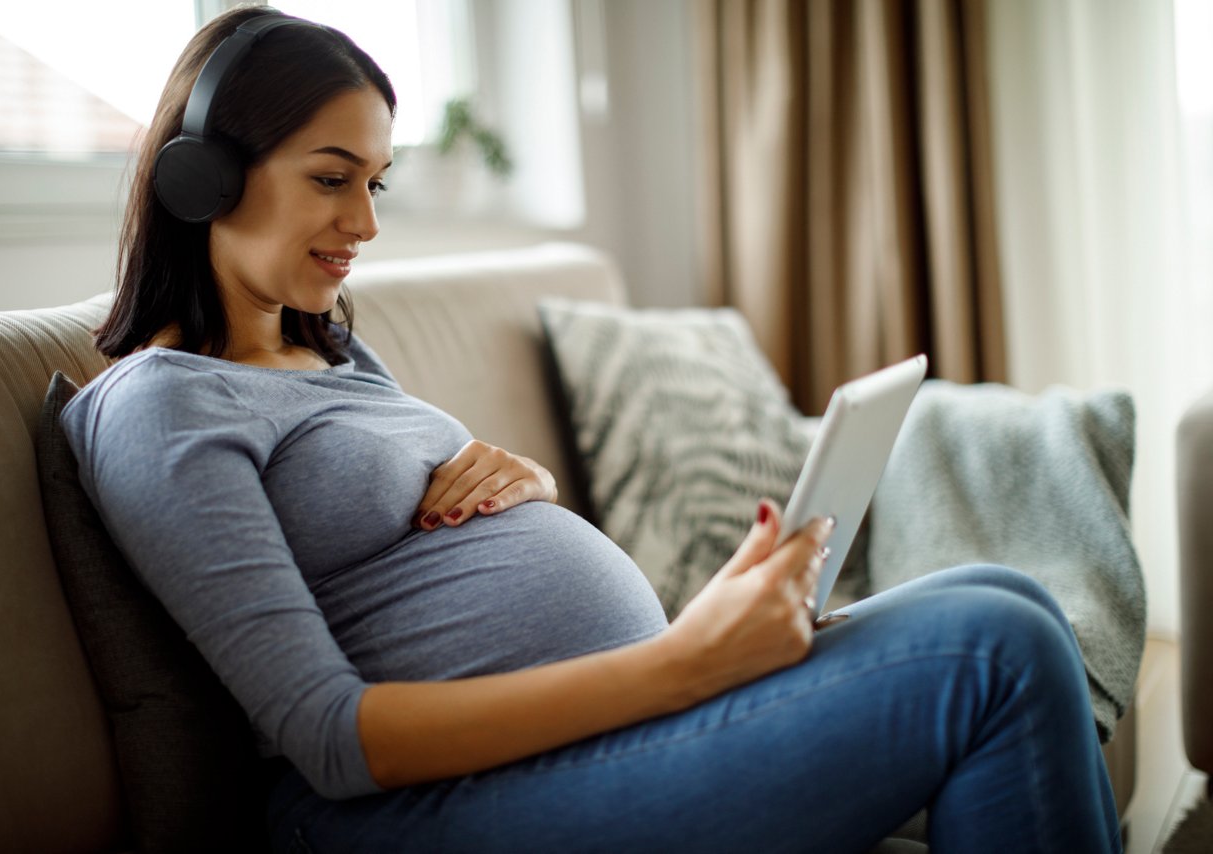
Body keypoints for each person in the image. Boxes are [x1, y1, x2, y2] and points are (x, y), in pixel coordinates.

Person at [62, 6, 1122, 852]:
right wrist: (687, 662)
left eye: (374, 183)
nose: (367, 223)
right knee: (996, 648)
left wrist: (526, 483)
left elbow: (423, 549)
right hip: (385, 814)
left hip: (597, 744)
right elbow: (332, 738)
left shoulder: (334, 351)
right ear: (201, 177)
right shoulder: (162, 404)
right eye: (331, 179)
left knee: (1008, 593)